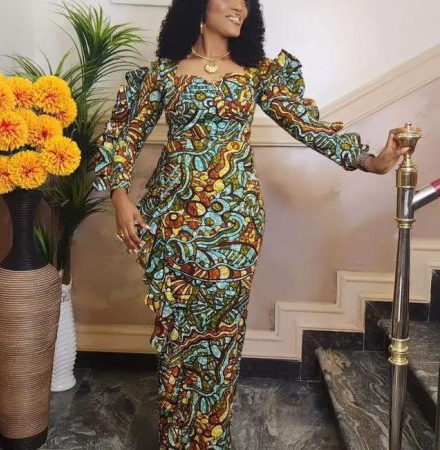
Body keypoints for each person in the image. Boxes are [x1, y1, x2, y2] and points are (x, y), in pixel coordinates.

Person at [92, 0, 419, 448]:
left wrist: (372, 161)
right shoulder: (163, 74)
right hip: (174, 225)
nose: (239, 7)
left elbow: (308, 127)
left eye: (246, 2)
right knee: (179, 337)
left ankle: (212, 440)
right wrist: (120, 197)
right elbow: (122, 136)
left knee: (222, 338)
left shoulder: (257, 73)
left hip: (235, 227)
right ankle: (176, 440)